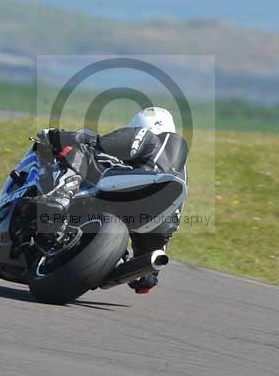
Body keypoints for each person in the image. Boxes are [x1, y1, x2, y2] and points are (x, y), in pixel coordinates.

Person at [34, 107, 186, 293]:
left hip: (134, 186)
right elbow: (167, 225)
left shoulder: (147, 137)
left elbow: (97, 143)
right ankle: (126, 267)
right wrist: (147, 268)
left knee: (81, 150)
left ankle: (61, 196)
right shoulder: (180, 173)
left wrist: (58, 136)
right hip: (154, 217)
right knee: (145, 273)